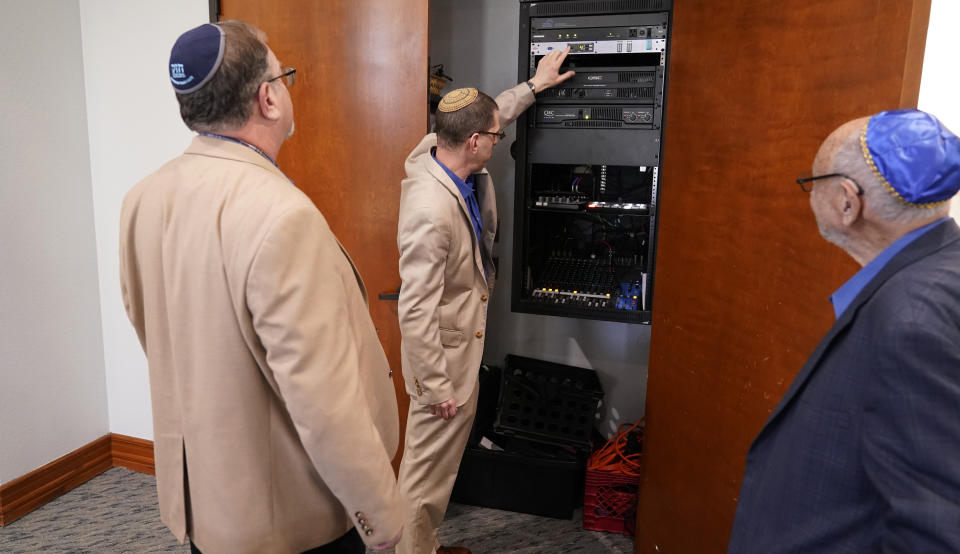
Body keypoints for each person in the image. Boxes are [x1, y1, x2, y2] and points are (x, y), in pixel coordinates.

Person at [119, 21, 403, 554]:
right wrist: (380, 516)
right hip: (292, 519)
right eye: (284, 76)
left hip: (207, 502)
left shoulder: (142, 198)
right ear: (268, 98)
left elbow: (152, 334)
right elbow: (325, 402)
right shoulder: (282, 214)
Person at [728, 109, 960, 552]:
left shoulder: (911, 320)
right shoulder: (940, 273)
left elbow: (936, 530)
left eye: (813, 182)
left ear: (847, 202)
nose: (810, 193)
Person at [394, 49, 574, 554]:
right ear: (474, 142)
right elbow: (415, 307)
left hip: (456, 352)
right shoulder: (430, 212)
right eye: (495, 136)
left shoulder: (437, 147)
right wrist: (435, 386)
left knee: (435, 473)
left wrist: (533, 87)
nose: (500, 139)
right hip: (444, 367)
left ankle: (421, 546)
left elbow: (492, 114)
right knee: (425, 479)